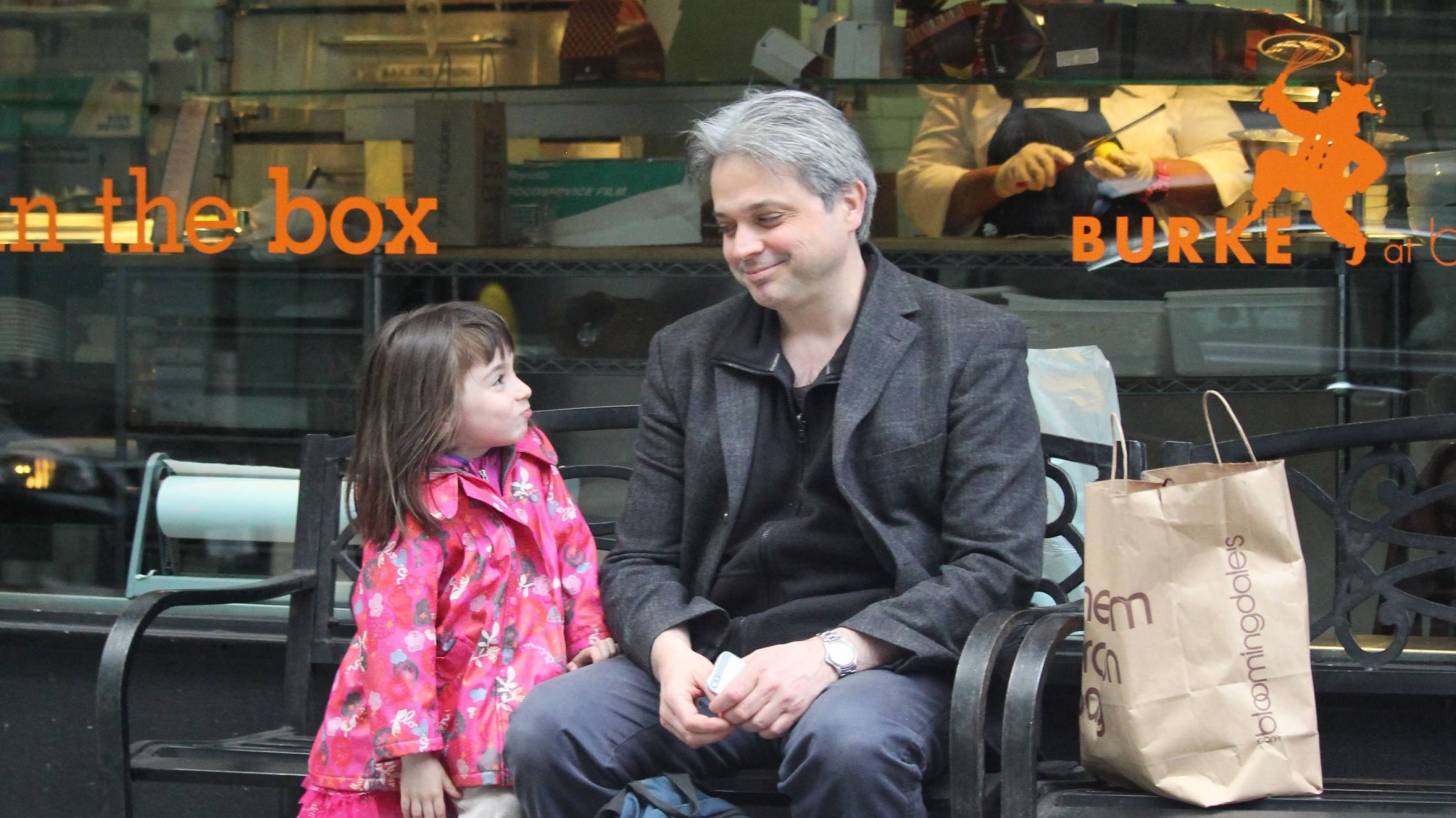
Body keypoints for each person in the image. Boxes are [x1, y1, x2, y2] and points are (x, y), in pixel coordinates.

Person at [504, 89, 1046, 818]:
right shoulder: (688, 352)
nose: (741, 248)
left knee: (848, 743)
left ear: (850, 203)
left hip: (889, 666)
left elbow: (997, 565)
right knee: (551, 728)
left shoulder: (967, 343)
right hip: (717, 658)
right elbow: (641, 558)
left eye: (768, 219)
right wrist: (669, 657)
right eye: (727, 226)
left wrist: (830, 654)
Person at [297, 302, 617, 818]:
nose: (523, 389)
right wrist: (415, 754)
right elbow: (395, 637)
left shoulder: (530, 465)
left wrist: (588, 636)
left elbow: (574, 553)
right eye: (498, 379)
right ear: (439, 412)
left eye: (514, 371)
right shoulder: (417, 511)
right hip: (444, 729)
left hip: (521, 711)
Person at [898, 83, 1251, 237]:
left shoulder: (1164, 66)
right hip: (1007, 284)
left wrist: (1153, 177)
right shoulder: (974, 81)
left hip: (1138, 278)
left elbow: (1232, 170)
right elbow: (920, 188)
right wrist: (997, 180)